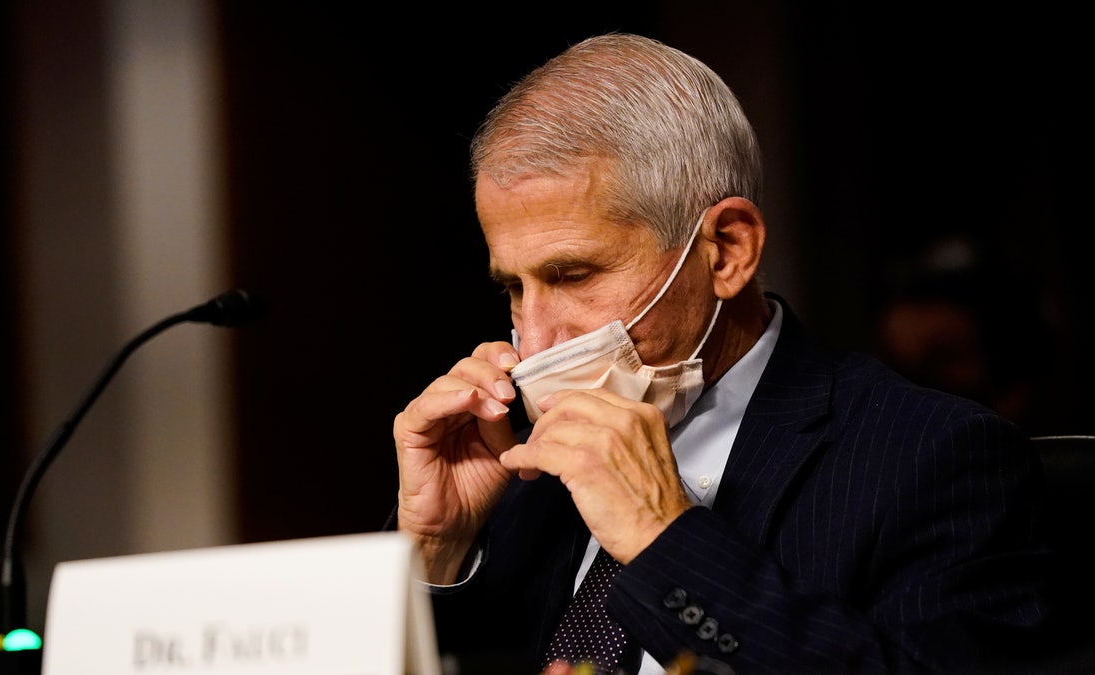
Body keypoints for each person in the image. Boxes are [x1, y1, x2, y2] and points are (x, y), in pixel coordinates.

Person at [389, 33, 1049, 674]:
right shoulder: (514, 477)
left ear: (727, 250)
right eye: (513, 286)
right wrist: (435, 556)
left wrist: (664, 539)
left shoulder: (932, 458)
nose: (534, 339)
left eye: (573, 276)